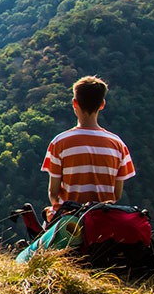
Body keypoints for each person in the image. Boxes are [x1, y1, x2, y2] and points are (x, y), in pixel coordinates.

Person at [41, 75, 135, 218]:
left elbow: (53, 194)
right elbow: (116, 195)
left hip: (70, 222)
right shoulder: (118, 145)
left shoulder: (59, 142)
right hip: (104, 220)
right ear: (102, 104)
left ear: (74, 103)